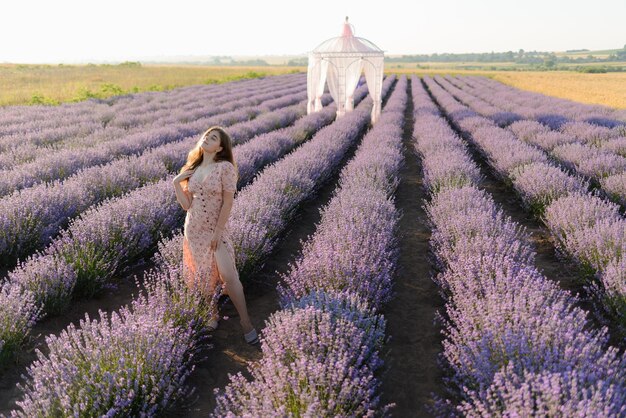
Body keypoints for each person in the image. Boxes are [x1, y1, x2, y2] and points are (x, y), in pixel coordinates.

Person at [172, 126, 259, 345]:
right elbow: (186, 205)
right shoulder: (193, 167)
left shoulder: (225, 168)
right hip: (193, 230)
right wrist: (176, 183)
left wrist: (218, 232)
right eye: (206, 135)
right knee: (203, 276)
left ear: (220, 147)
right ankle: (212, 314)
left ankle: (246, 322)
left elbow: (228, 202)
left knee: (229, 276)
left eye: (213, 138)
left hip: (215, 230)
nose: (206, 138)